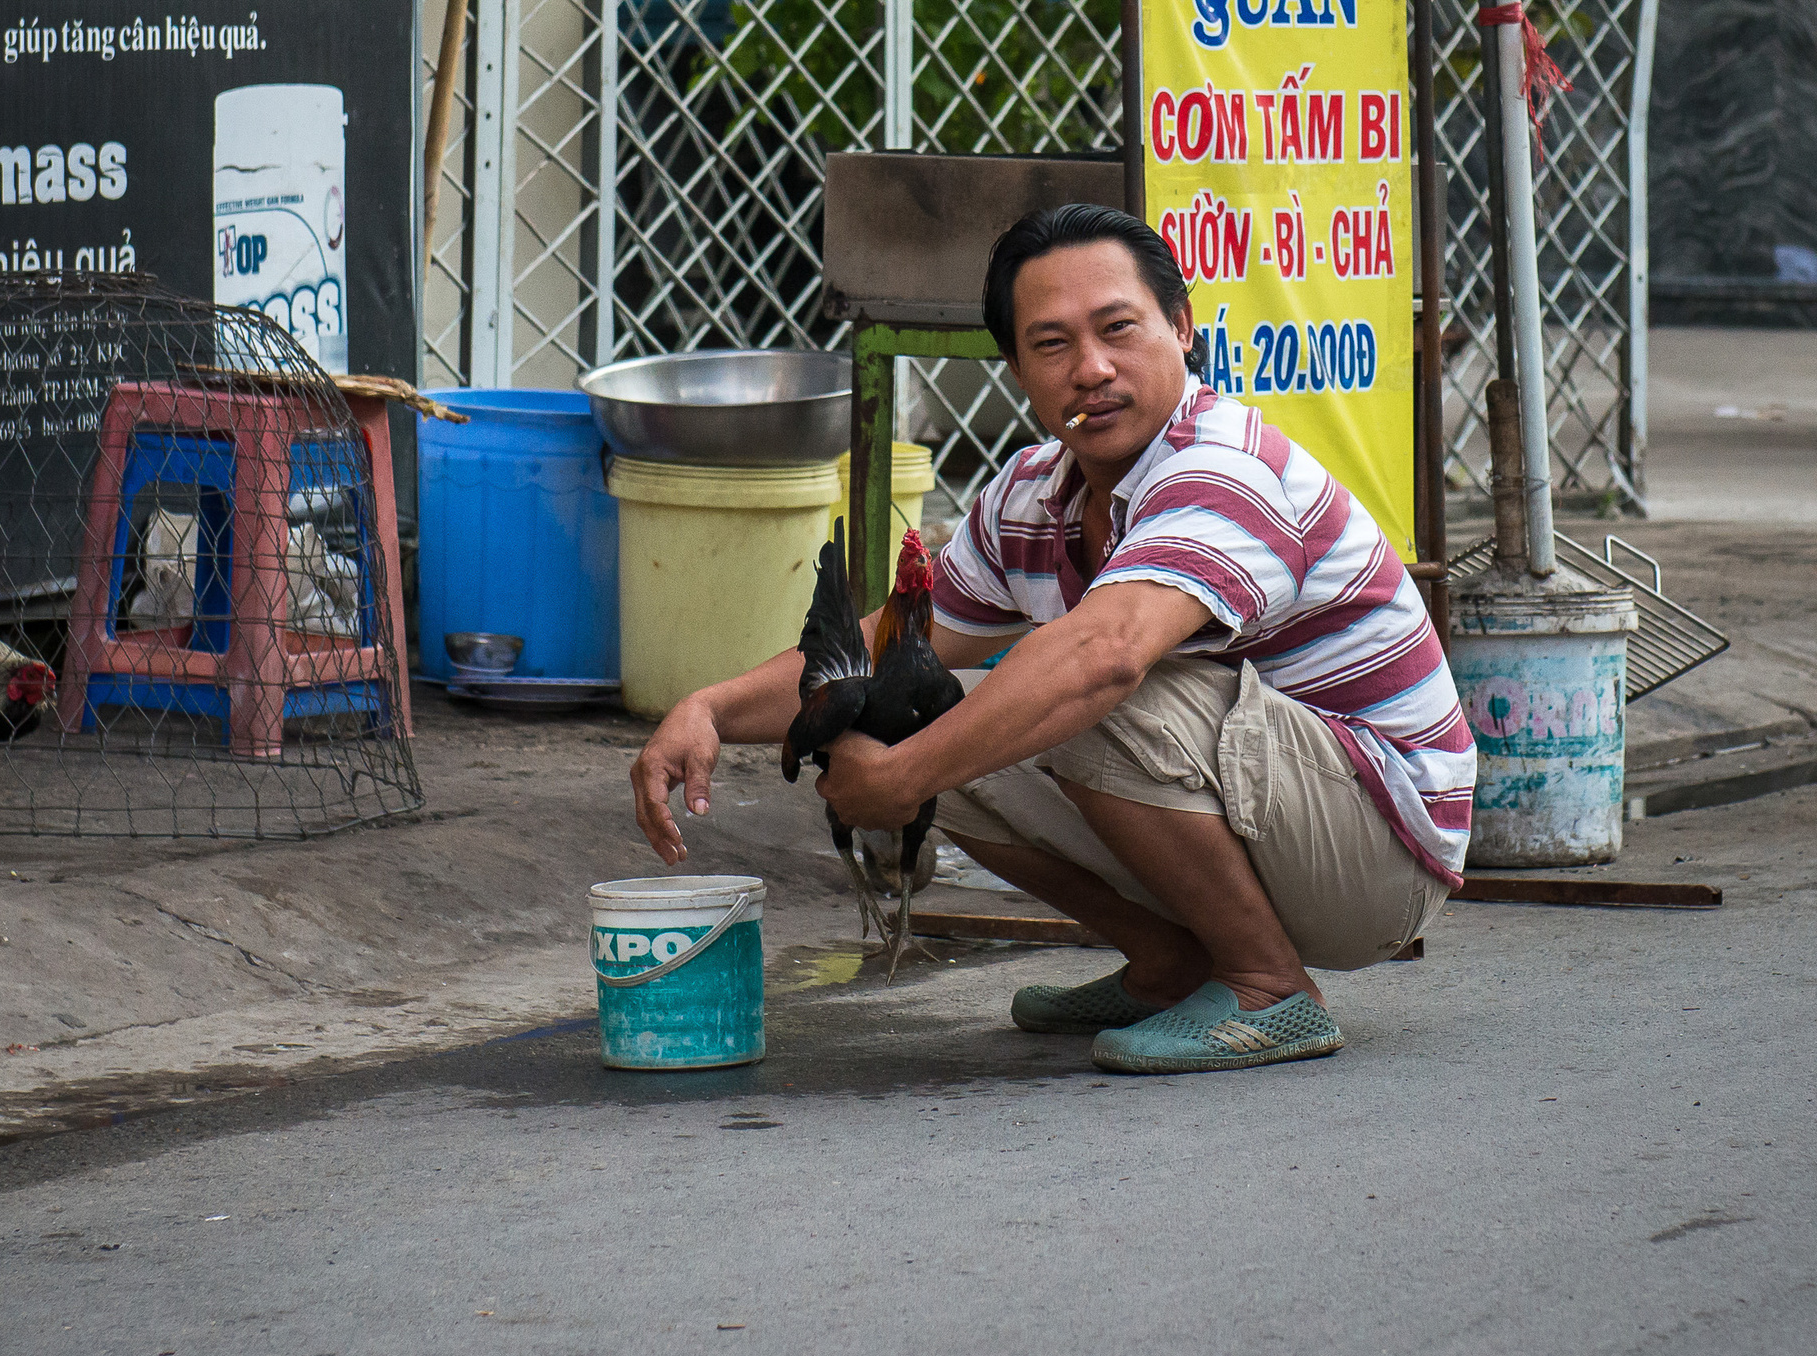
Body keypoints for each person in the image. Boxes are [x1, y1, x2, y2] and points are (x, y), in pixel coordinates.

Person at [629, 202, 1473, 1073]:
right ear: (1018, 369)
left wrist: (904, 780)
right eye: (1053, 345)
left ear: (1182, 330)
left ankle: (1268, 984)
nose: (1093, 369)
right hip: (1279, 821)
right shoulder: (1033, 491)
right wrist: (710, 710)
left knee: (1085, 679)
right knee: (908, 706)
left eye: (1119, 329)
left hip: (1380, 845)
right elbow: (890, 646)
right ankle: (1171, 966)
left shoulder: (1221, 467)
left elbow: (1102, 657)